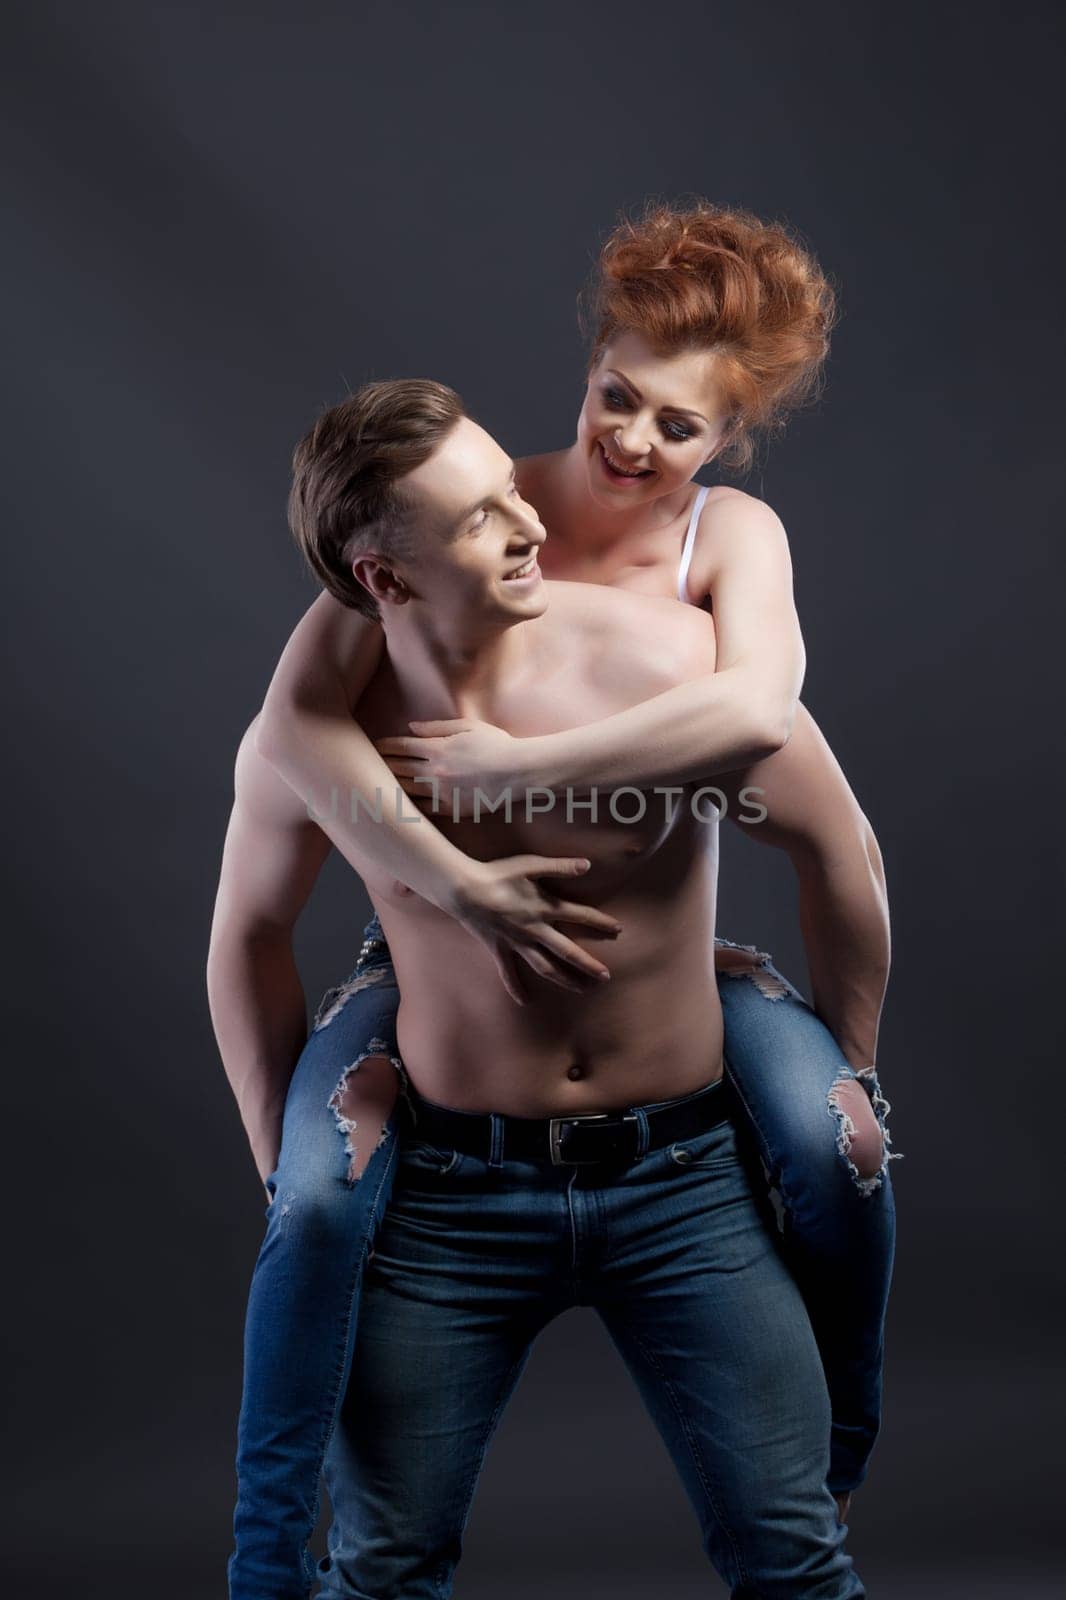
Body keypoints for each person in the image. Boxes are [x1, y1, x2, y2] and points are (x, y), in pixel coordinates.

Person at [209, 203, 894, 1596]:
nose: (625, 448)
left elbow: (770, 728)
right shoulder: (428, 532)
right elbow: (284, 737)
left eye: (679, 427)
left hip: (679, 1151)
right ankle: (258, 1568)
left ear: (727, 442)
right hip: (457, 1164)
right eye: (614, 398)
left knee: (838, 1151)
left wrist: (521, 761)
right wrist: (453, 880)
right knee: (321, 1218)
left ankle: (847, 1431)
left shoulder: (701, 595)